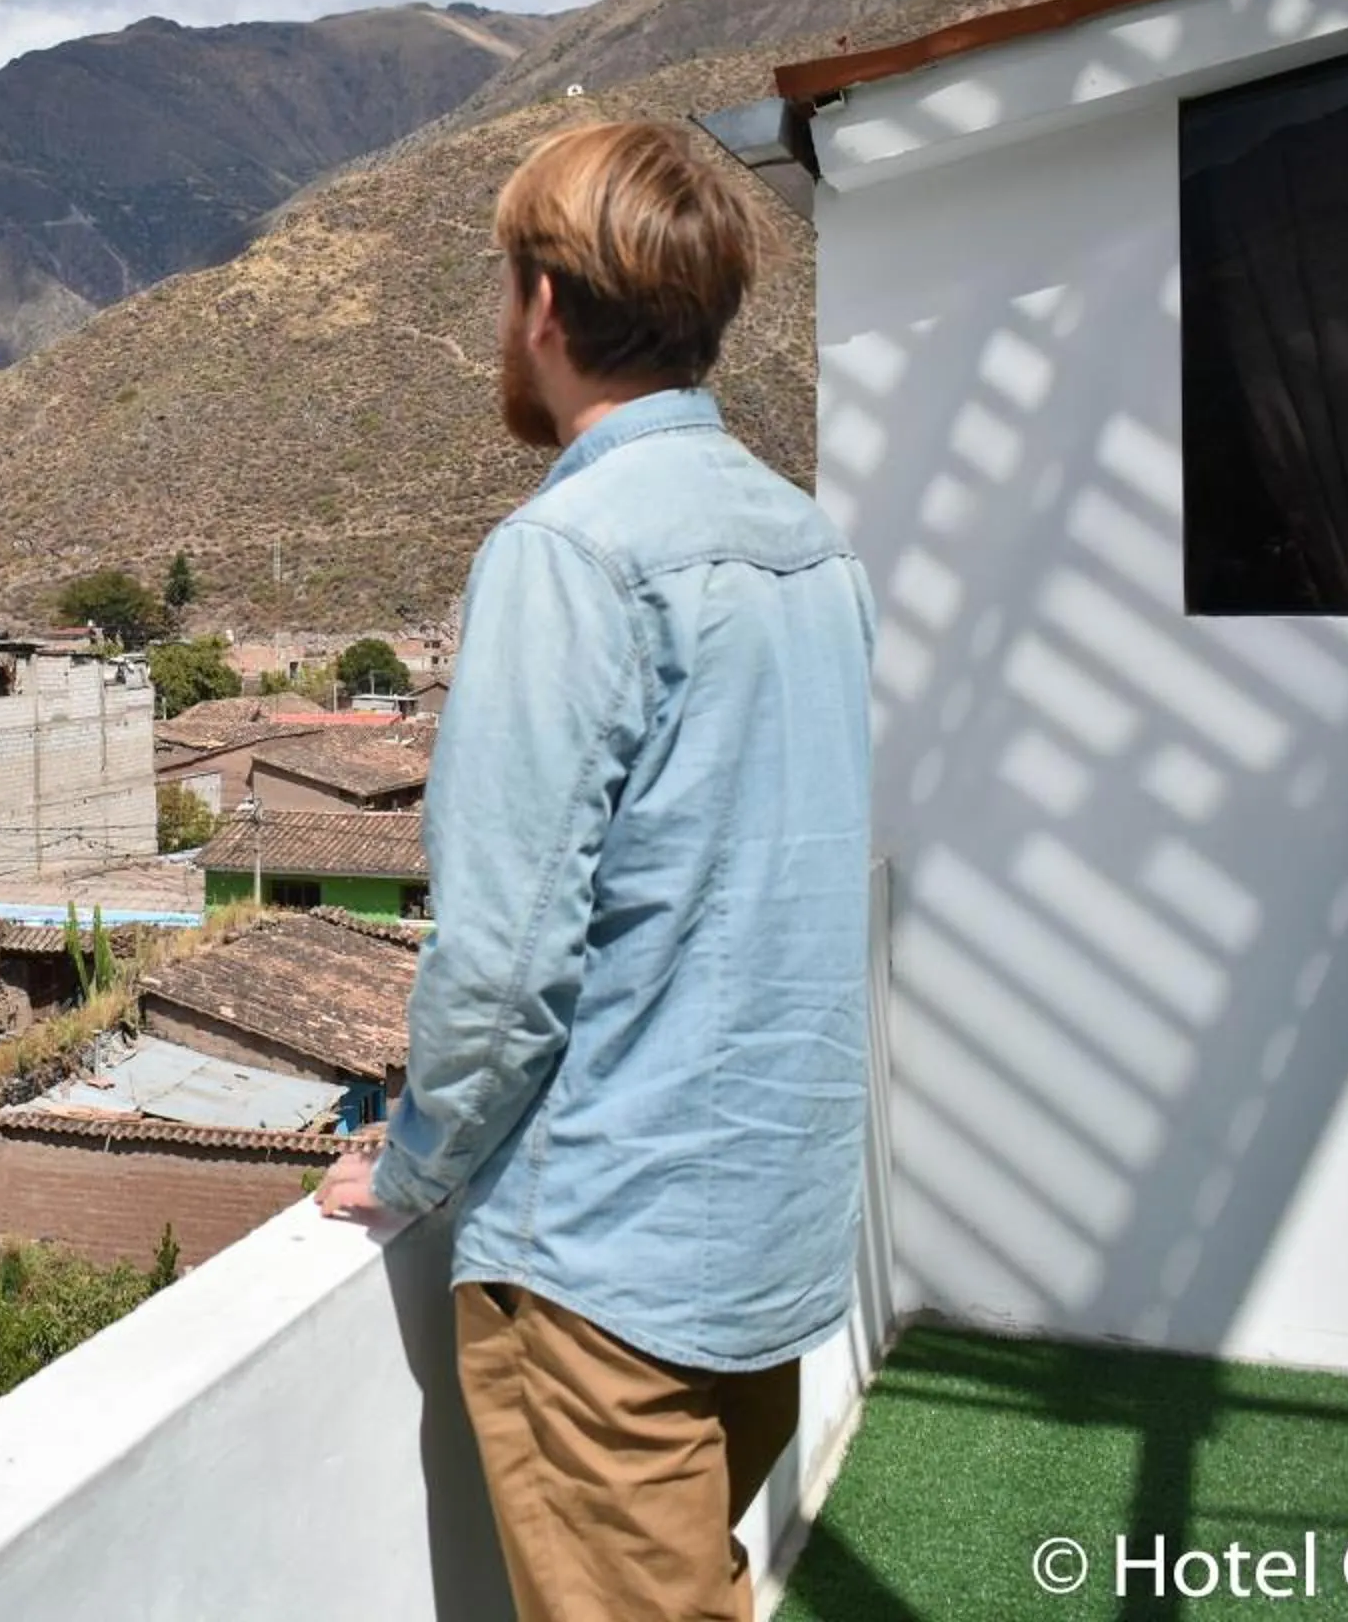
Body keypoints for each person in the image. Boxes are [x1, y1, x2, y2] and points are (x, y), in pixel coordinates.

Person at [318, 119, 876, 1622]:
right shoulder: (812, 550)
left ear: (546, 307)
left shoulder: (565, 555)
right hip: (769, 1243)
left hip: (604, 1270)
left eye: (507, 286)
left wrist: (412, 1162)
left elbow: (506, 960)